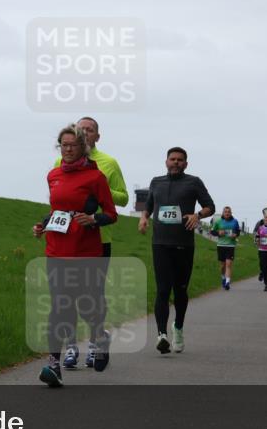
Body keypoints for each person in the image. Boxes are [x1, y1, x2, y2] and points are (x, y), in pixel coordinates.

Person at [33, 125, 118, 387]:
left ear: (83, 146)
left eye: (72, 145)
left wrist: (94, 219)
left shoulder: (95, 178)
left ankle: (99, 337)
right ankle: (54, 365)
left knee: (87, 306)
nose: (67, 149)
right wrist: (42, 225)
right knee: (60, 307)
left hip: (86, 252)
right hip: (56, 251)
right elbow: (57, 210)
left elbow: (111, 214)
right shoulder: (53, 175)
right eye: (63, 145)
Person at [52, 117, 128, 370]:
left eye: (89, 130)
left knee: (91, 299)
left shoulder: (107, 164)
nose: (83, 133)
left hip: (98, 240)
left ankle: (97, 340)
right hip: (63, 243)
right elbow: (60, 201)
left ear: (95, 136)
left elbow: (123, 199)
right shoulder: (57, 167)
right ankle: (70, 347)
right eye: (80, 129)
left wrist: (98, 194)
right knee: (64, 300)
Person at [138, 147, 215, 354]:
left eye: (180, 160)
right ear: (166, 162)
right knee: (163, 289)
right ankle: (162, 335)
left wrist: (197, 215)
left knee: (180, 290)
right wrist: (144, 218)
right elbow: (149, 204)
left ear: (186, 164)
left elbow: (210, 206)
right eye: (172, 159)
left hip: (184, 244)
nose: (176, 162)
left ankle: (178, 327)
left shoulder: (193, 182)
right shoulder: (156, 182)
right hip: (160, 243)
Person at [210, 206, 240, 290]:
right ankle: (223, 277)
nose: (227, 213)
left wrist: (235, 235)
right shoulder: (218, 222)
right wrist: (218, 233)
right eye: (225, 212)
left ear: (231, 213)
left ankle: (227, 282)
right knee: (222, 265)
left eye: (228, 212)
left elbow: (238, 231)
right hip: (221, 245)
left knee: (228, 264)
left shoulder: (235, 222)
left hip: (230, 245)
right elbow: (212, 231)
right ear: (223, 213)